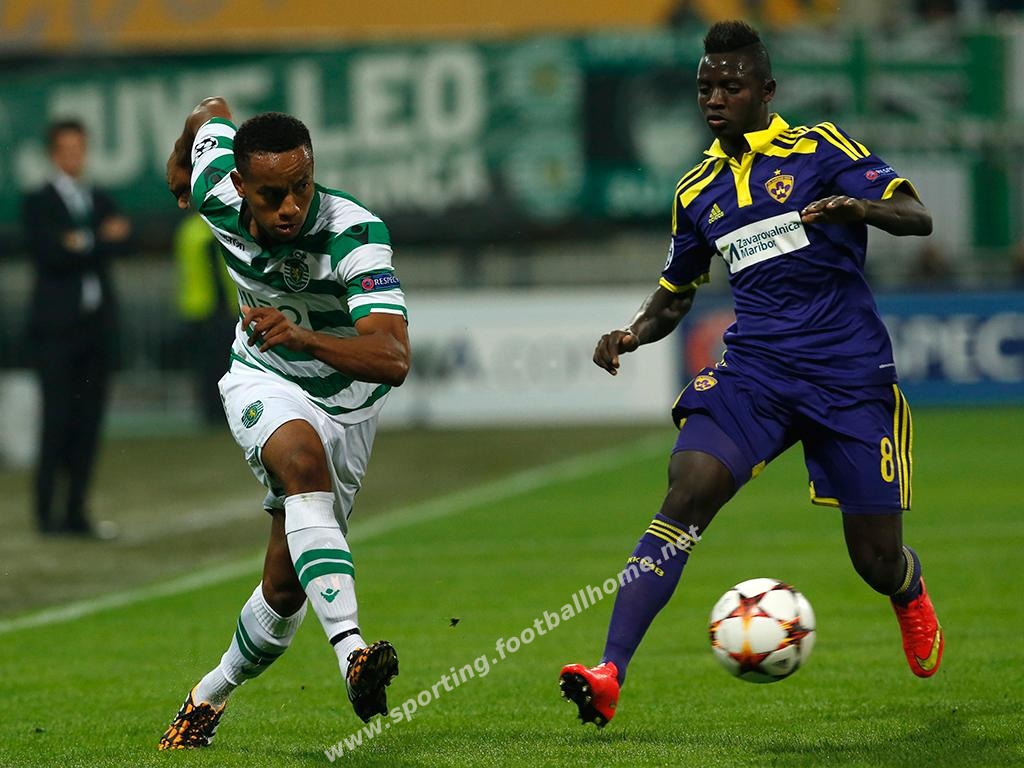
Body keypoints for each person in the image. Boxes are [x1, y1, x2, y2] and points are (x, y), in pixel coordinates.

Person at [559, 20, 943, 728]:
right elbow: (675, 293)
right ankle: (609, 672)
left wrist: (860, 207)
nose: (715, 98)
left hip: (847, 377)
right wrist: (632, 332)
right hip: (756, 374)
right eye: (705, 86)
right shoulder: (697, 189)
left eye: (730, 86)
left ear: (767, 91)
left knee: (875, 560)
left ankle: (908, 588)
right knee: (688, 488)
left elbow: (916, 216)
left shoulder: (822, 149)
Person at [158, 97, 410, 749]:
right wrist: (182, 161)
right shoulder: (215, 190)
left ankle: (208, 695)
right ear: (239, 186)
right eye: (272, 195)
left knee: (282, 591)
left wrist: (304, 337)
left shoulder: (354, 233)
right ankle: (353, 653)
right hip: (262, 377)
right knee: (301, 462)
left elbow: (393, 357)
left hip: (349, 405)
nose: (291, 206)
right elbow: (209, 111)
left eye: (301, 185)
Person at [22, 118, 131, 538]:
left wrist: (79, 241)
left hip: (95, 330)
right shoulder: (39, 201)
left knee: (88, 424)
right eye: (67, 149)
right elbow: (50, 253)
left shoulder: (98, 197)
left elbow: (125, 239)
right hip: (56, 332)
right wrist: (97, 239)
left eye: (80, 148)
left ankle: (76, 512)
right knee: (56, 421)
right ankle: (45, 514)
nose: (75, 156)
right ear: (53, 153)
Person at [173, 212, 238, 426]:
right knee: (218, 364)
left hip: (201, 306)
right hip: (210, 307)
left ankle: (213, 411)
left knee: (210, 365)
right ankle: (217, 411)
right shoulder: (220, 227)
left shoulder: (189, 229)